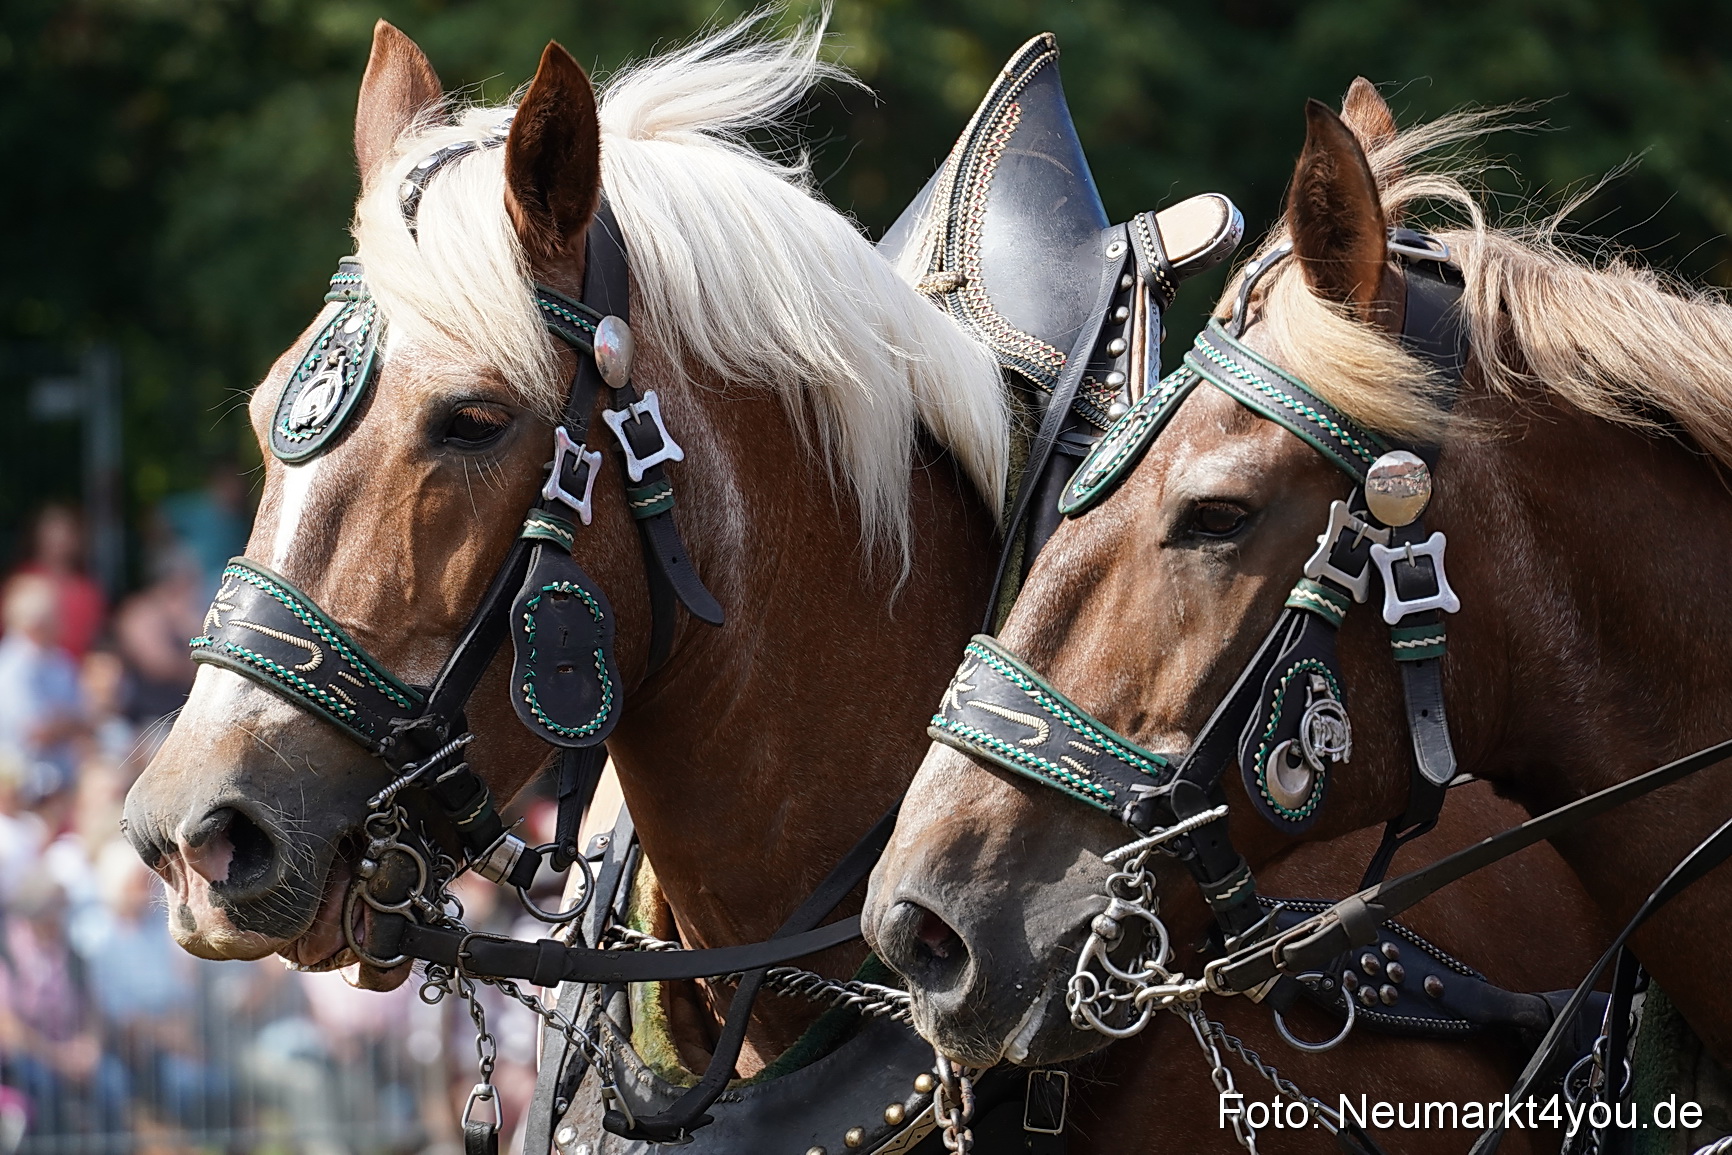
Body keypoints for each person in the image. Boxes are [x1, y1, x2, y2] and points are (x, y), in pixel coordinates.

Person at [0, 576, 87, 801]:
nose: (62, 621)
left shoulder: (61, 661)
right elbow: (35, 729)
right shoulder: (11, 666)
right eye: (56, 615)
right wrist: (66, 722)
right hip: (21, 785)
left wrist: (62, 722)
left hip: (63, 778)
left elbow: (85, 718)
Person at [4, 506, 105, 663]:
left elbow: (95, 640)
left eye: (65, 533)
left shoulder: (88, 590)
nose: (58, 540)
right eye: (52, 532)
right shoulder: (21, 583)